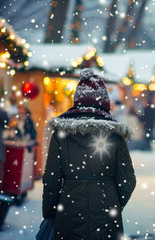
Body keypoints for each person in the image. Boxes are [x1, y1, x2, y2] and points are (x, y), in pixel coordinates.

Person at [43, 69, 136, 239]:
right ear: (104, 101)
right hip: (107, 214)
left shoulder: (61, 135)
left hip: (68, 211)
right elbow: (128, 181)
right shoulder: (115, 136)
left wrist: (50, 213)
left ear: (77, 100)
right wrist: (113, 203)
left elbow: (51, 180)